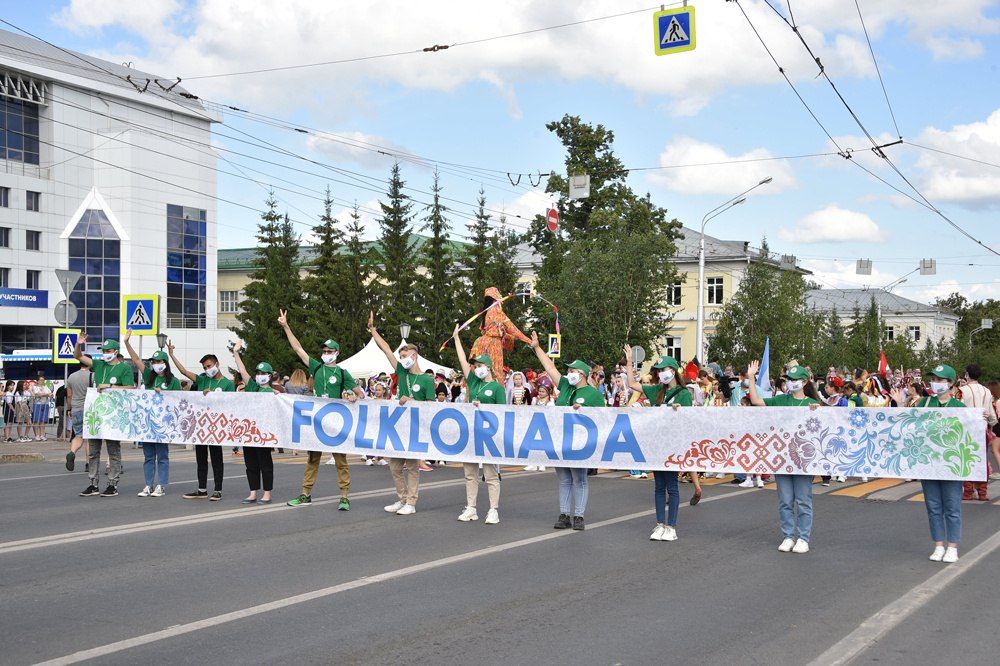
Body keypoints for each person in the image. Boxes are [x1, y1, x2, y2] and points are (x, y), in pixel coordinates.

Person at [278, 311, 361, 510]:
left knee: (340, 461)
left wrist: (351, 394)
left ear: (337, 353)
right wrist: (286, 326)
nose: (326, 353)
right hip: (317, 421)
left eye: (330, 351)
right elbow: (298, 349)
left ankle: (344, 497)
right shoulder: (316, 367)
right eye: (324, 350)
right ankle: (305, 494)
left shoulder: (342, 373)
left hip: (336, 422)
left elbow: (361, 394)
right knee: (312, 459)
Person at [890, 365, 968, 563]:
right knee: (933, 506)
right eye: (934, 378)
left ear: (950, 383)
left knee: (952, 506)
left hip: (952, 465)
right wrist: (899, 405)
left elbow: (970, 433)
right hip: (928, 462)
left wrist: (981, 419)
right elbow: (906, 425)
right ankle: (938, 545)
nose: (936, 383)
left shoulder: (960, 407)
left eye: (940, 380)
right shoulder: (924, 403)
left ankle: (953, 547)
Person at [530, 331, 604, 530]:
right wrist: (537, 347)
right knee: (564, 479)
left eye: (571, 371)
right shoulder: (565, 386)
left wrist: (585, 412)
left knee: (579, 479)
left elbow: (604, 420)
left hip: (581, 443)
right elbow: (550, 367)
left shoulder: (594, 394)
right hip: (561, 440)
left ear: (582, 375)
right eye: (568, 371)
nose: (567, 374)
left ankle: (578, 516)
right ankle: (564, 515)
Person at [747, 361, 821, 554]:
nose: (791, 383)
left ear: (804, 382)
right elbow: (756, 401)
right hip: (783, 459)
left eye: (795, 380)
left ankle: (803, 538)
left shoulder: (812, 404)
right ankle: (788, 536)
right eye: (789, 379)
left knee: (803, 500)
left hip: (803, 461)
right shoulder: (780, 400)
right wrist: (751, 378)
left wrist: (818, 412)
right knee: (785, 501)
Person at [369, 311, 435, 515]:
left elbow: (431, 406)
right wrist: (372, 330)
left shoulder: (427, 380)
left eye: (405, 356)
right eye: (401, 357)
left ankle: (411, 503)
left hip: (415, 427)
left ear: (414, 356)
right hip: (399, 425)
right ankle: (402, 498)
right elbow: (386, 349)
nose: (401, 359)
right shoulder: (401, 371)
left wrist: (411, 400)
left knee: (413, 467)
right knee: (395, 467)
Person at [624, 348, 690, 542]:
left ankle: (672, 527)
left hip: (673, 445)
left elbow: (689, 420)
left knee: (673, 487)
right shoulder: (656, 390)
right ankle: (660, 524)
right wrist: (629, 362)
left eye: (665, 369)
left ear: (674, 370)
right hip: (657, 445)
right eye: (659, 370)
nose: (661, 373)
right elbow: (631, 384)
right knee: (658, 486)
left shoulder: (684, 394)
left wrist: (680, 411)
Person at [452, 324, 504, 524]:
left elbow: (502, 414)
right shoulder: (473, 382)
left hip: (489, 435)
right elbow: (463, 361)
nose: (476, 369)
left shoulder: (497, 387)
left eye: (480, 366)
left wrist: (483, 407)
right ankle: (471, 508)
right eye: (475, 367)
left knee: (491, 474)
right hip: (471, 434)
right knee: (470, 474)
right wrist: (456, 338)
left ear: (488, 367)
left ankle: (493, 509)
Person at [170, 341, 234, 501]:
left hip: (216, 426)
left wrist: (214, 395)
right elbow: (184, 372)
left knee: (216, 458)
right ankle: (202, 489)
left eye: (209, 366)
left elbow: (232, 403)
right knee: (200, 458)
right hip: (200, 426)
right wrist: (172, 355)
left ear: (217, 364)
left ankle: (218, 490)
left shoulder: (227, 383)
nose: (207, 369)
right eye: (205, 367)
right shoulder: (203, 379)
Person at [74, 334, 135, 497]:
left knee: (113, 450)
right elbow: (78, 356)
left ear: (115, 352)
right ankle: (93, 484)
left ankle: (112, 484)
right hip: (95, 414)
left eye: (108, 350)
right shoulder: (99, 365)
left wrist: (109, 386)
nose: (105, 353)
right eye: (103, 350)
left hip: (113, 414)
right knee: (93, 450)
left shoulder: (124, 368)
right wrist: (78, 344)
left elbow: (130, 388)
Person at [124, 330, 179, 497]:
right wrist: (127, 342)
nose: (155, 364)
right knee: (148, 456)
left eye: (159, 361)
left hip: (163, 424)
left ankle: (161, 485)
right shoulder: (148, 375)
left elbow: (178, 401)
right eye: (154, 361)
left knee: (162, 456)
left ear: (165, 363)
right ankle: (148, 485)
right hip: (147, 422)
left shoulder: (173, 381)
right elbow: (135, 360)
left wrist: (162, 394)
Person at [233, 340, 275, 504]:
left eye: (263, 373)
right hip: (248, 432)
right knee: (250, 463)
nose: (260, 375)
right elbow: (242, 370)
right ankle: (253, 492)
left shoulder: (274, 392)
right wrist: (236, 352)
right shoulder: (252, 386)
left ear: (270, 376)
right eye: (258, 372)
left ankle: (267, 493)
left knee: (265, 463)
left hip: (264, 432)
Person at [469, 287, 532, 386]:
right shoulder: (497, 311)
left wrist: (508, 337)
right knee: (495, 372)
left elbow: (490, 331)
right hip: (493, 345)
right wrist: (528, 340)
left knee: (480, 371)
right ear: (495, 300)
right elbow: (512, 328)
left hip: (480, 344)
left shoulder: (486, 313)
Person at [958, 363, 997, 501]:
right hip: (982, 431)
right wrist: (990, 422)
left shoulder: (962, 390)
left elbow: (958, 411)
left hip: (966, 431)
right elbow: (993, 416)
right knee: (981, 461)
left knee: (966, 460)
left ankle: (968, 492)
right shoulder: (987, 391)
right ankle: (982, 493)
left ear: (967, 374)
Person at [64, 362, 93, 472]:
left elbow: (69, 395)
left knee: (78, 435)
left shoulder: (72, 376)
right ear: (89, 365)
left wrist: (70, 409)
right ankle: (88, 464)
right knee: (90, 438)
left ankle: (72, 452)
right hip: (89, 408)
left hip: (76, 408)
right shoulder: (92, 375)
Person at [30, 373, 52, 441]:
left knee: (43, 420)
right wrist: (47, 394)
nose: (42, 381)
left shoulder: (46, 387)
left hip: (45, 404)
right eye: (41, 380)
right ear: (37, 381)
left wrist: (51, 395)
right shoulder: (34, 387)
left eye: (43, 380)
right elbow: (37, 393)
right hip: (37, 404)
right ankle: (37, 435)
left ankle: (42, 434)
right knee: (36, 420)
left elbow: (50, 393)